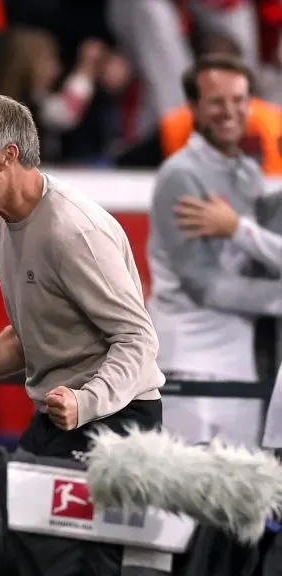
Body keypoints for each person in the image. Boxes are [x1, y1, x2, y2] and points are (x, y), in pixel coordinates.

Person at [0, 92, 163, 571]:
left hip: (113, 426)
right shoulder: (10, 221)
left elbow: (139, 341)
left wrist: (86, 401)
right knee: (4, 552)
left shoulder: (74, 231)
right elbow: (26, 336)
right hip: (58, 421)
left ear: (8, 157)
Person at [148, 53, 281, 449]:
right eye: (217, 101)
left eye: (239, 100)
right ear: (194, 107)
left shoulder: (249, 174)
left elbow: (259, 260)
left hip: (240, 367)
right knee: (177, 502)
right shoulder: (180, 175)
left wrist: (237, 229)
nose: (230, 111)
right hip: (187, 365)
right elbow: (205, 285)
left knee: (237, 503)